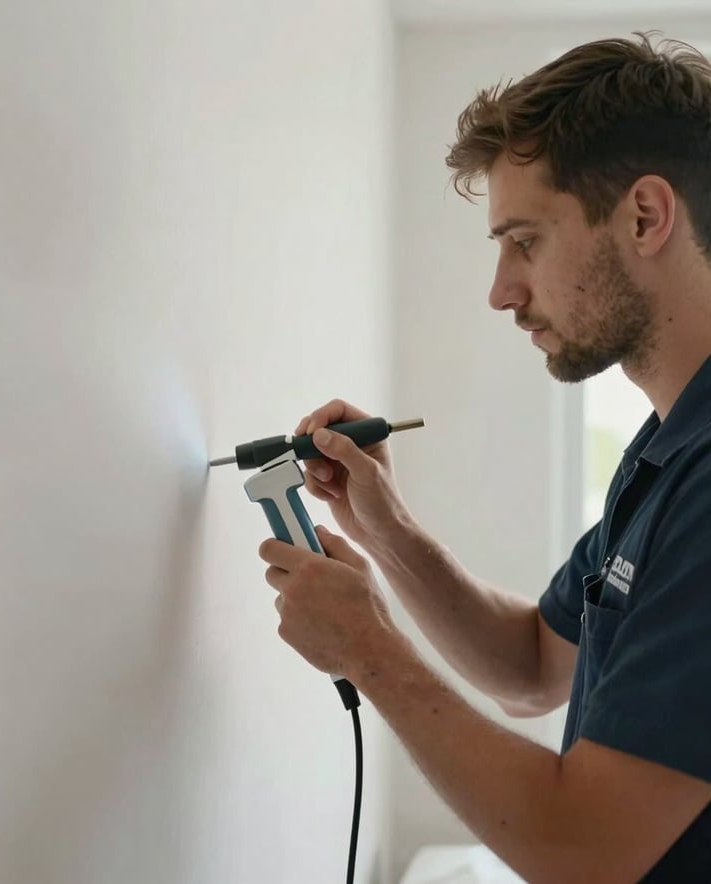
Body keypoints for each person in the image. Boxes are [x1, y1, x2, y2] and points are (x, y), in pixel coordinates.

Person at [259, 32, 711, 882]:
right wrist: (386, 530)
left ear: (645, 217)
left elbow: (585, 850)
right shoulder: (665, 448)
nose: (501, 291)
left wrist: (367, 649)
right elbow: (532, 667)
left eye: (525, 241)